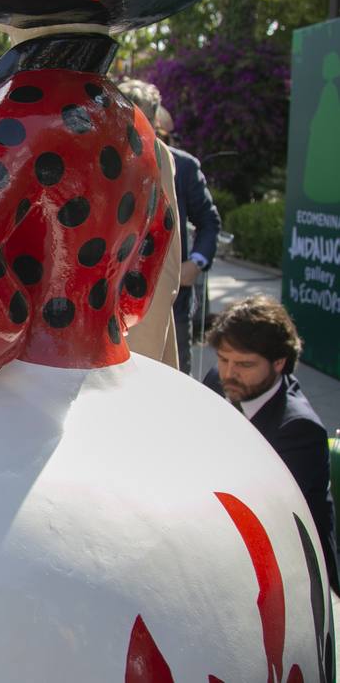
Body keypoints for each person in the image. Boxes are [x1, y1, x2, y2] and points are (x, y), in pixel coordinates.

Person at [202, 295, 338, 589]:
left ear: (279, 362)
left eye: (244, 364)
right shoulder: (219, 380)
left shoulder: (299, 429)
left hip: (293, 573)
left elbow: (271, 522)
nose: (229, 372)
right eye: (223, 359)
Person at [117, 78, 220, 373]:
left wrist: (196, 262)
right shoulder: (107, 161)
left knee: (172, 380)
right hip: (119, 310)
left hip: (173, 305)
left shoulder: (182, 165)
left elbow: (209, 222)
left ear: (154, 117)